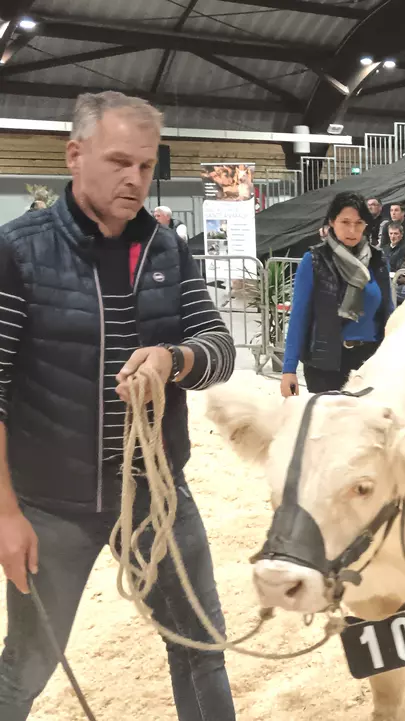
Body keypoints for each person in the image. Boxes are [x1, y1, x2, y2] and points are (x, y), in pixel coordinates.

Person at [0, 91, 237, 720]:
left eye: (146, 164)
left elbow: (219, 347)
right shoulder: (17, 252)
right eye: (118, 161)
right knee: (27, 665)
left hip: (156, 493)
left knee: (201, 645)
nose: (134, 177)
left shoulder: (167, 249)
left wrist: (172, 360)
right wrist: (6, 515)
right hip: (52, 504)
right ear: (75, 156)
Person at [281, 191, 392, 396]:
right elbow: (299, 317)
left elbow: (389, 314)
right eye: (345, 222)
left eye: (359, 223)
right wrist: (288, 369)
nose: (352, 230)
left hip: (371, 363)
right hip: (327, 363)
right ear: (332, 222)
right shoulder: (314, 260)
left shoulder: (378, 260)